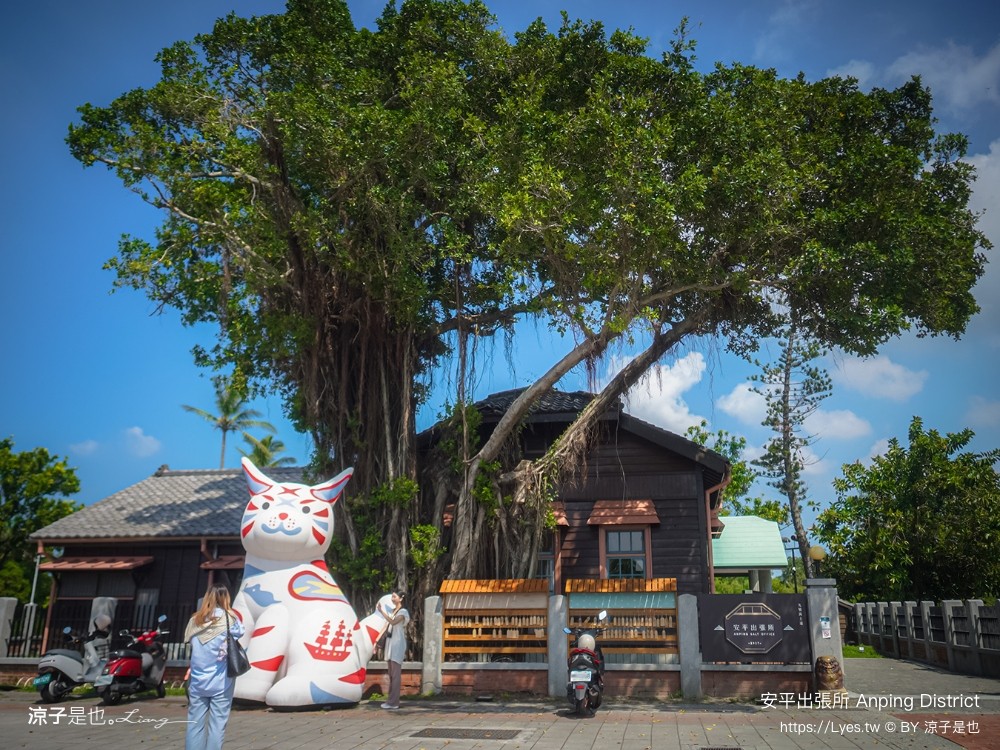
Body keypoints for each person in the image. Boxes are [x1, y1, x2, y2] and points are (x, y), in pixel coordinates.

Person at [184, 583, 245, 750]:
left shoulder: (194, 621)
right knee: (217, 725)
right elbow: (241, 631)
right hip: (221, 680)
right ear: (226, 598)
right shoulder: (230, 619)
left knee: (194, 724)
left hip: (197, 681)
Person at [377, 590, 409, 709]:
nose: (392, 598)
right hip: (390, 644)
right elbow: (386, 627)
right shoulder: (392, 611)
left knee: (396, 675)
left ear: (401, 598)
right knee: (391, 674)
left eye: (394, 597)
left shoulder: (403, 612)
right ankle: (390, 701)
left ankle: (394, 702)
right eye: (392, 597)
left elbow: (393, 622)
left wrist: (382, 611)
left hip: (397, 644)